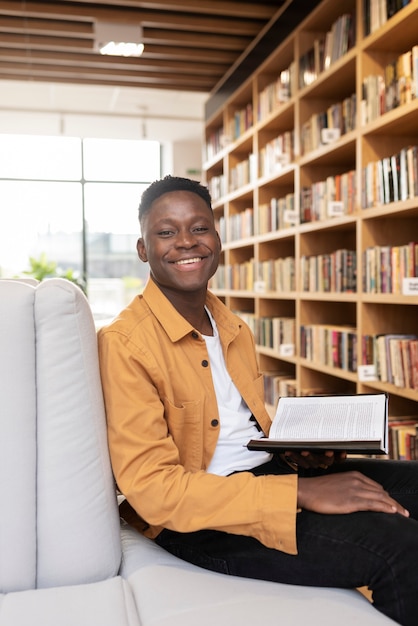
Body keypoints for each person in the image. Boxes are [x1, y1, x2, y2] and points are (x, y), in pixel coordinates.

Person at [98, 175, 418, 626]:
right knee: (400, 549)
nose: (186, 242)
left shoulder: (232, 326)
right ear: (142, 249)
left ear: (217, 237)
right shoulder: (125, 344)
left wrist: (299, 455)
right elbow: (154, 490)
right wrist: (301, 492)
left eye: (200, 227)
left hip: (267, 473)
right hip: (198, 523)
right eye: (166, 232)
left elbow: (243, 430)